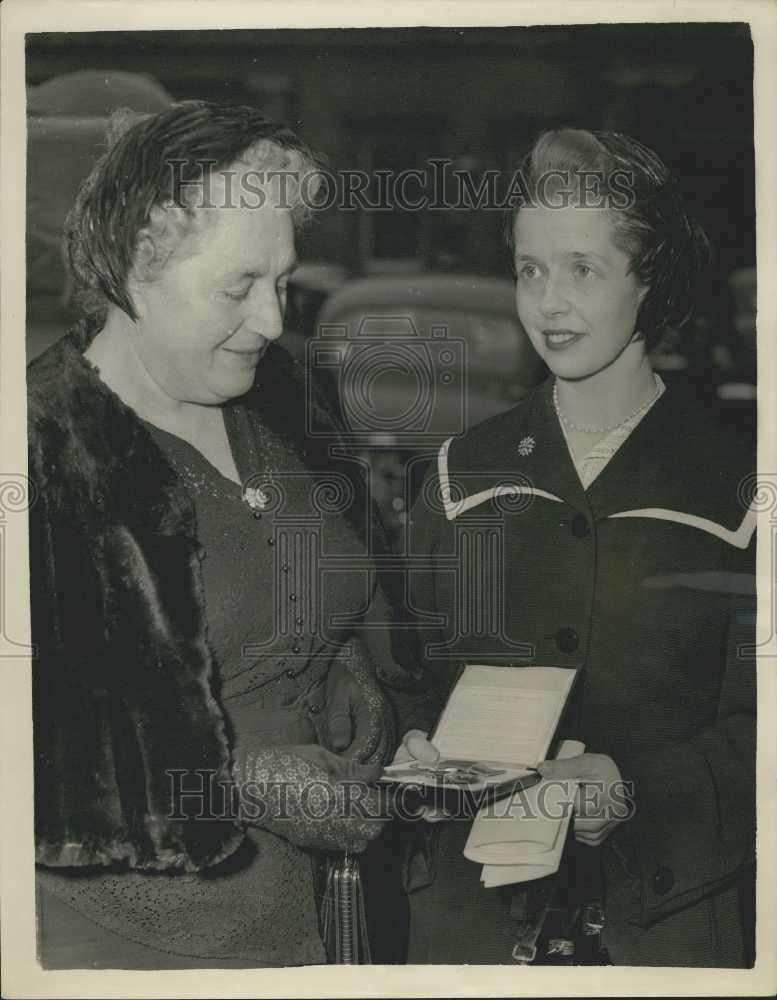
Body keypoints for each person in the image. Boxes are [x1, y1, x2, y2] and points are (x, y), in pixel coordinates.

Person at [28, 101, 414, 969]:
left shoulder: (279, 398)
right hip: (125, 944)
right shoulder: (42, 443)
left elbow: (337, 585)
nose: (273, 320)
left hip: (320, 927)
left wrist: (342, 668)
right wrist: (238, 782)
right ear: (134, 262)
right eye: (237, 287)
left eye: (281, 282)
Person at [394, 128, 756, 966]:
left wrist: (632, 789)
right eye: (530, 269)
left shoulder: (740, 492)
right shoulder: (460, 473)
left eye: (582, 270)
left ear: (650, 280)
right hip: (471, 936)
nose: (547, 303)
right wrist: (409, 742)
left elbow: (759, 729)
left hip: (665, 935)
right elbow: (405, 674)